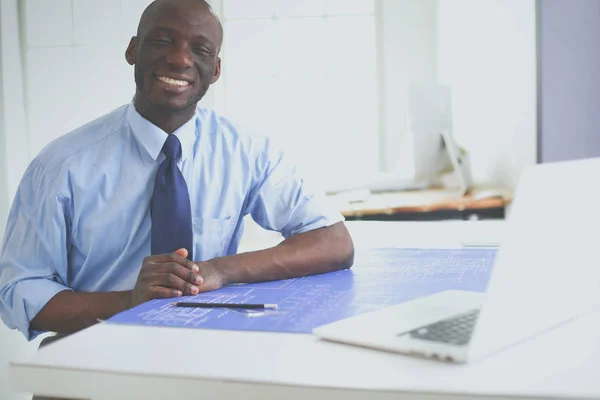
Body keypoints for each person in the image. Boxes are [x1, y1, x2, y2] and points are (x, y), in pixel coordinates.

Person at [0, 0, 354, 342]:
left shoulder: (247, 151)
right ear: (132, 51)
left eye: (200, 49)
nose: (180, 59)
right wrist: (127, 303)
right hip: (97, 351)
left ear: (214, 70)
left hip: (208, 346)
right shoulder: (61, 166)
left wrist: (218, 270)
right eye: (162, 41)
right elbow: (18, 289)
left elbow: (332, 242)